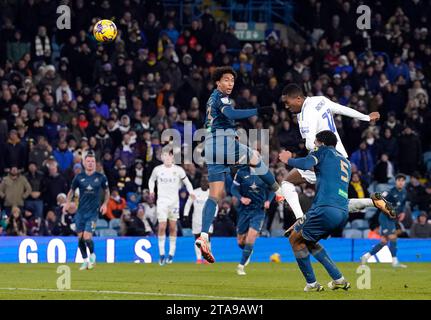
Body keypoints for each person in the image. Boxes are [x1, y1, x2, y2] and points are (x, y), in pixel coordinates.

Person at [280, 83, 394, 233]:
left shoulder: (307, 114)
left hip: (326, 159)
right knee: (338, 203)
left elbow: (309, 143)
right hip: (343, 160)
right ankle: (373, 202)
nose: (287, 107)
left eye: (287, 103)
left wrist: (299, 159)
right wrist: (366, 117)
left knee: (287, 182)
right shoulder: (320, 100)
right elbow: (341, 109)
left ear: (299, 99)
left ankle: (300, 218)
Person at [197, 66, 282, 263]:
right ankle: (278, 191)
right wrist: (259, 110)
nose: (229, 84)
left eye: (232, 81)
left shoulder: (211, 98)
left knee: (215, 195)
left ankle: (203, 236)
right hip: (223, 142)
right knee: (255, 157)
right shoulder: (222, 98)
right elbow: (232, 114)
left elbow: (218, 120)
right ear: (218, 82)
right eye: (226, 80)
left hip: (210, 146)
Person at [279, 130, 353, 291]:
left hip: (325, 208)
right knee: (309, 241)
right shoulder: (346, 162)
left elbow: (306, 164)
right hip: (342, 211)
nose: (313, 145)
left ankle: (312, 284)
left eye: (315, 143)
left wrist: (288, 160)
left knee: (294, 239)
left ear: (322, 143)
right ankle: (338, 279)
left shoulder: (323, 151)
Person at [63, 151, 109, 270]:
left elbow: (107, 191)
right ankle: (85, 261)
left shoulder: (101, 177)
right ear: (84, 163)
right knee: (80, 238)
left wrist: (105, 204)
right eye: (88, 161)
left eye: (92, 161)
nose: (90, 163)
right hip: (80, 213)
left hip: (92, 213)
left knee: (87, 237)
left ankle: (92, 254)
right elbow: (71, 191)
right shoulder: (79, 177)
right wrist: (67, 203)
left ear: (95, 163)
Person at [148, 149, 195, 265]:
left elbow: (187, 182)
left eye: (170, 156)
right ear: (162, 157)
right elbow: (151, 180)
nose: (168, 158)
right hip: (162, 202)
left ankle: (171, 254)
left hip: (174, 203)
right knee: (162, 226)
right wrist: (151, 191)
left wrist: (192, 192)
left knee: (173, 227)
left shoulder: (178, 170)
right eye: (165, 156)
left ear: (173, 158)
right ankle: (162, 254)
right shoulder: (158, 170)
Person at [231, 165, 274, 275]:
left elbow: (273, 189)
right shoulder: (241, 172)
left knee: (251, 236)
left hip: (259, 210)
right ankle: (248, 251)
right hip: (244, 210)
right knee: (240, 241)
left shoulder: (265, 172)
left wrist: (268, 201)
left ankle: (241, 266)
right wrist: (241, 198)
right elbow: (233, 188)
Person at [361, 173, 407, 268]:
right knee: (393, 237)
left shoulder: (404, 193)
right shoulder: (390, 192)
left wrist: (402, 213)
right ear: (396, 181)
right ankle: (394, 261)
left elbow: (402, 204)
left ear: (404, 182)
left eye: (403, 180)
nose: (401, 182)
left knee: (384, 241)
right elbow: (380, 202)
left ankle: (366, 256)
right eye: (399, 180)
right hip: (385, 217)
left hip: (392, 219)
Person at [183, 176, 212, 264]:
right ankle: (199, 258)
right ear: (200, 183)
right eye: (202, 181)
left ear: (208, 183)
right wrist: (185, 214)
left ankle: (207, 258)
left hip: (207, 219)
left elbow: (216, 205)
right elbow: (188, 203)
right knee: (197, 238)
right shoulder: (195, 192)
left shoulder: (211, 193)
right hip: (196, 219)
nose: (204, 183)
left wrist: (214, 215)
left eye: (205, 181)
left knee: (207, 238)